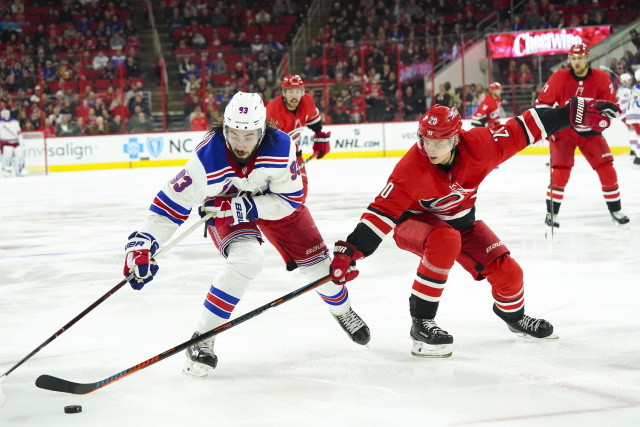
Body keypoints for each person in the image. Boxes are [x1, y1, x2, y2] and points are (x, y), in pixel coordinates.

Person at [329, 97, 620, 358]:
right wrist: (351, 251)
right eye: (424, 139)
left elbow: (526, 127)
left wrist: (572, 111)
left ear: (456, 139)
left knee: (509, 273)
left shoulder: (482, 144)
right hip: (413, 224)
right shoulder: (410, 169)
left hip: (462, 222)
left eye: (438, 142)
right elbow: (381, 213)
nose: (429, 148)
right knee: (444, 239)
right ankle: (422, 323)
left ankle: (515, 318)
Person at [122, 92, 369, 377]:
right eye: (234, 134)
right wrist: (143, 242)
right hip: (225, 208)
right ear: (225, 128)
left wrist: (246, 206)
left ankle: (343, 310)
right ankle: (202, 338)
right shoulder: (207, 157)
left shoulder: (281, 147)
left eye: (249, 136)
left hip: (272, 205)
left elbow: (290, 200)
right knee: (247, 258)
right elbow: (169, 204)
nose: (241, 144)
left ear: (262, 131)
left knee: (320, 272)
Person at [536, 43, 630, 231]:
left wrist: (605, 114)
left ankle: (616, 210)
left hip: (591, 133)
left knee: (607, 169)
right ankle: (551, 213)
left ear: (587, 58)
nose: (577, 62)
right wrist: (550, 130)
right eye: (574, 58)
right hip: (564, 132)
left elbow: (612, 107)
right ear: (570, 59)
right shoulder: (558, 77)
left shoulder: (601, 78)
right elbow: (542, 106)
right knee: (561, 171)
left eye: (580, 58)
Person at [266, 74, 331, 200]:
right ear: (284, 92)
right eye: (290, 91)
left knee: (302, 191)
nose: (294, 95)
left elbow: (315, 121)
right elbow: (266, 142)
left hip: (294, 152)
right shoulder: (273, 111)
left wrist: (320, 136)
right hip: (273, 155)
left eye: (298, 91)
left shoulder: (307, 102)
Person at [616, 72, 639, 165]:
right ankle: (637, 154)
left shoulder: (623, 90)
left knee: (633, 132)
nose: (630, 81)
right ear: (624, 81)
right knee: (636, 133)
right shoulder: (627, 90)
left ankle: (634, 151)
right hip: (629, 114)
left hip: (627, 114)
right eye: (629, 80)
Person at [0, 109, 25, 177]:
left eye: (7, 113)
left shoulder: (14, 121)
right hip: (5, 142)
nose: (5, 114)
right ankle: (6, 170)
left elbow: (18, 132)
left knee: (20, 155)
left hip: (16, 141)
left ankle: (20, 170)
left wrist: (21, 140)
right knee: (6, 157)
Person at [624, 69, 640, 165]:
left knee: (637, 135)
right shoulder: (636, 89)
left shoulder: (635, 88)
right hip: (636, 116)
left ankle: (637, 155)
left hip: (632, 116)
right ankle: (638, 157)